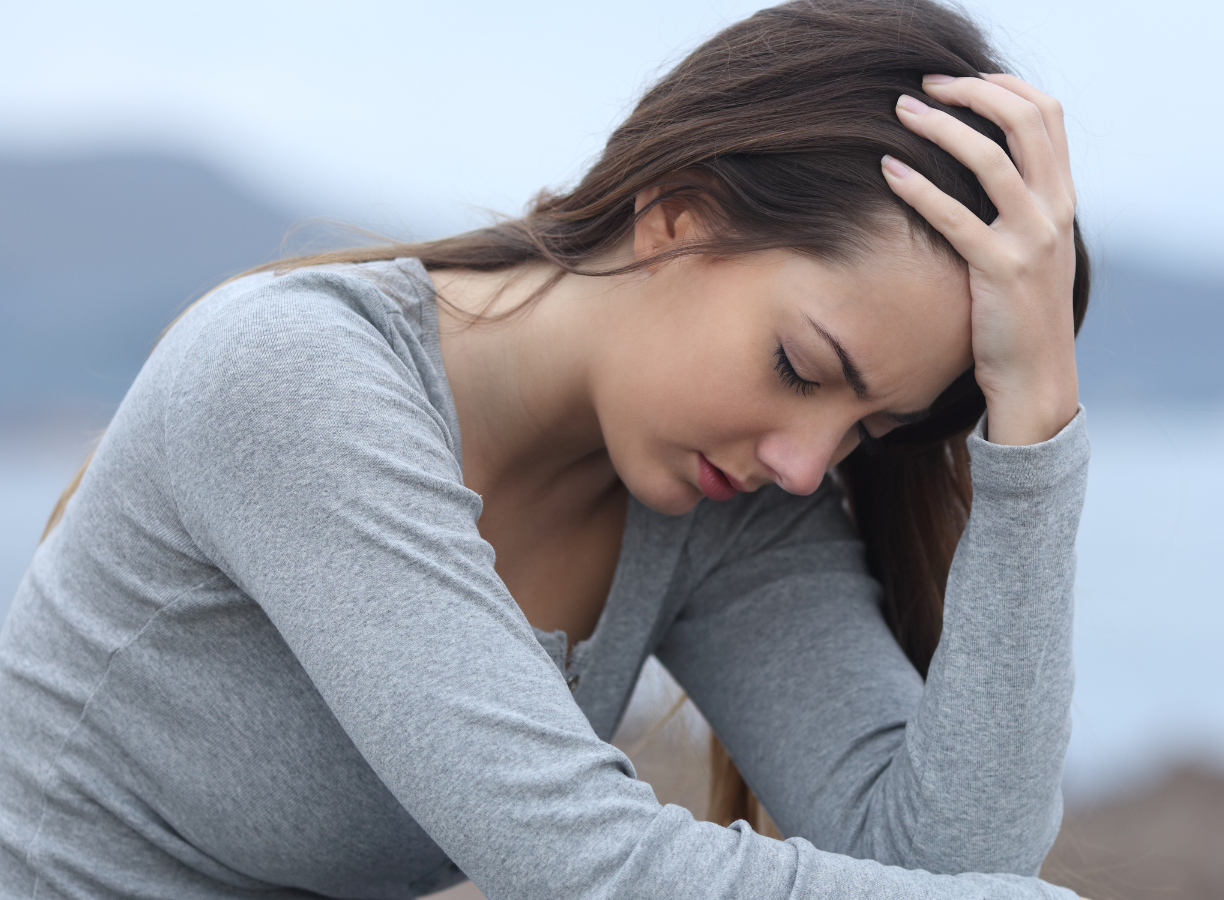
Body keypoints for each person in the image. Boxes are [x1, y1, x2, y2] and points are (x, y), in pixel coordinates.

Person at [0, 0, 1093, 896]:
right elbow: (582, 864)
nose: (807, 463)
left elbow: (948, 865)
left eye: (865, 429)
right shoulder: (294, 376)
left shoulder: (730, 495)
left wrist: (1036, 416)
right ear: (675, 216)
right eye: (802, 370)